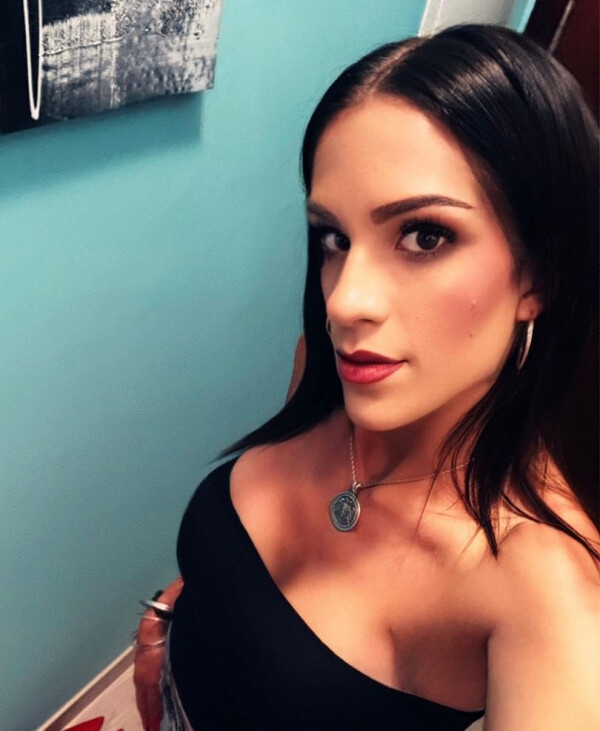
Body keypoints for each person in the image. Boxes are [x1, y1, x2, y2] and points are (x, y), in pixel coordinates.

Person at [133, 23, 600, 731]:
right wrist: (173, 621)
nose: (345, 301)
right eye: (334, 238)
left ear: (538, 275)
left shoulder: (549, 592)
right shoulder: (331, 377)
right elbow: (249, 564)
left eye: (424, 236)